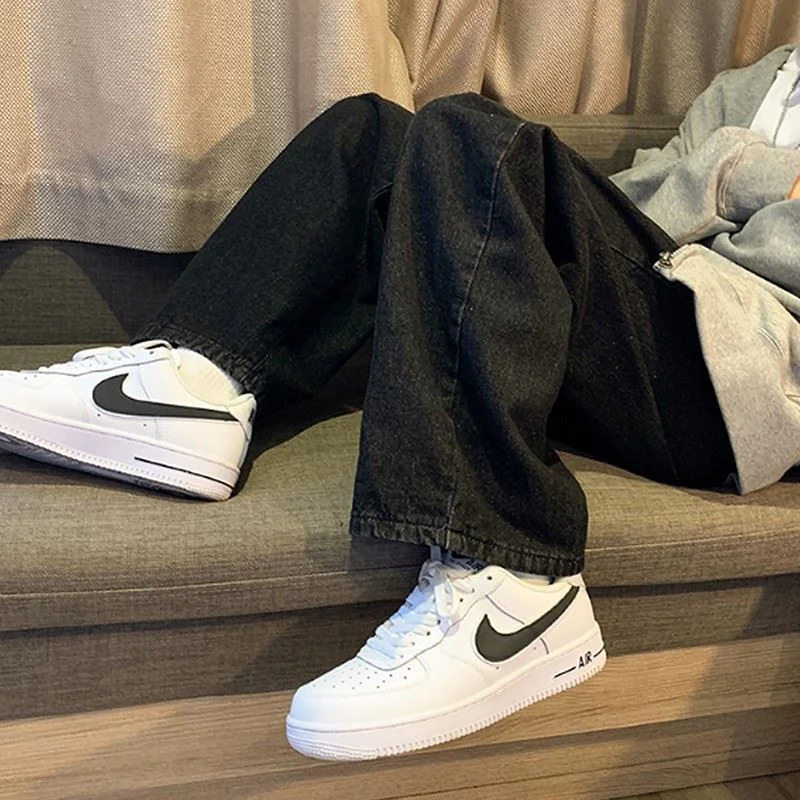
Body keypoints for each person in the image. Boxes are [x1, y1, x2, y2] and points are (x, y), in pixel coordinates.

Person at [1, 43, 799, 762]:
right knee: (374, 130)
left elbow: (756, 242)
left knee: (472, 133)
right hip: (661, 303)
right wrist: (754, 177)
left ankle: (517, 579)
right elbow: (648, 204)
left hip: (743, 376)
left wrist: (717, 176)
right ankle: (199, 382)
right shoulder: (757, 81)